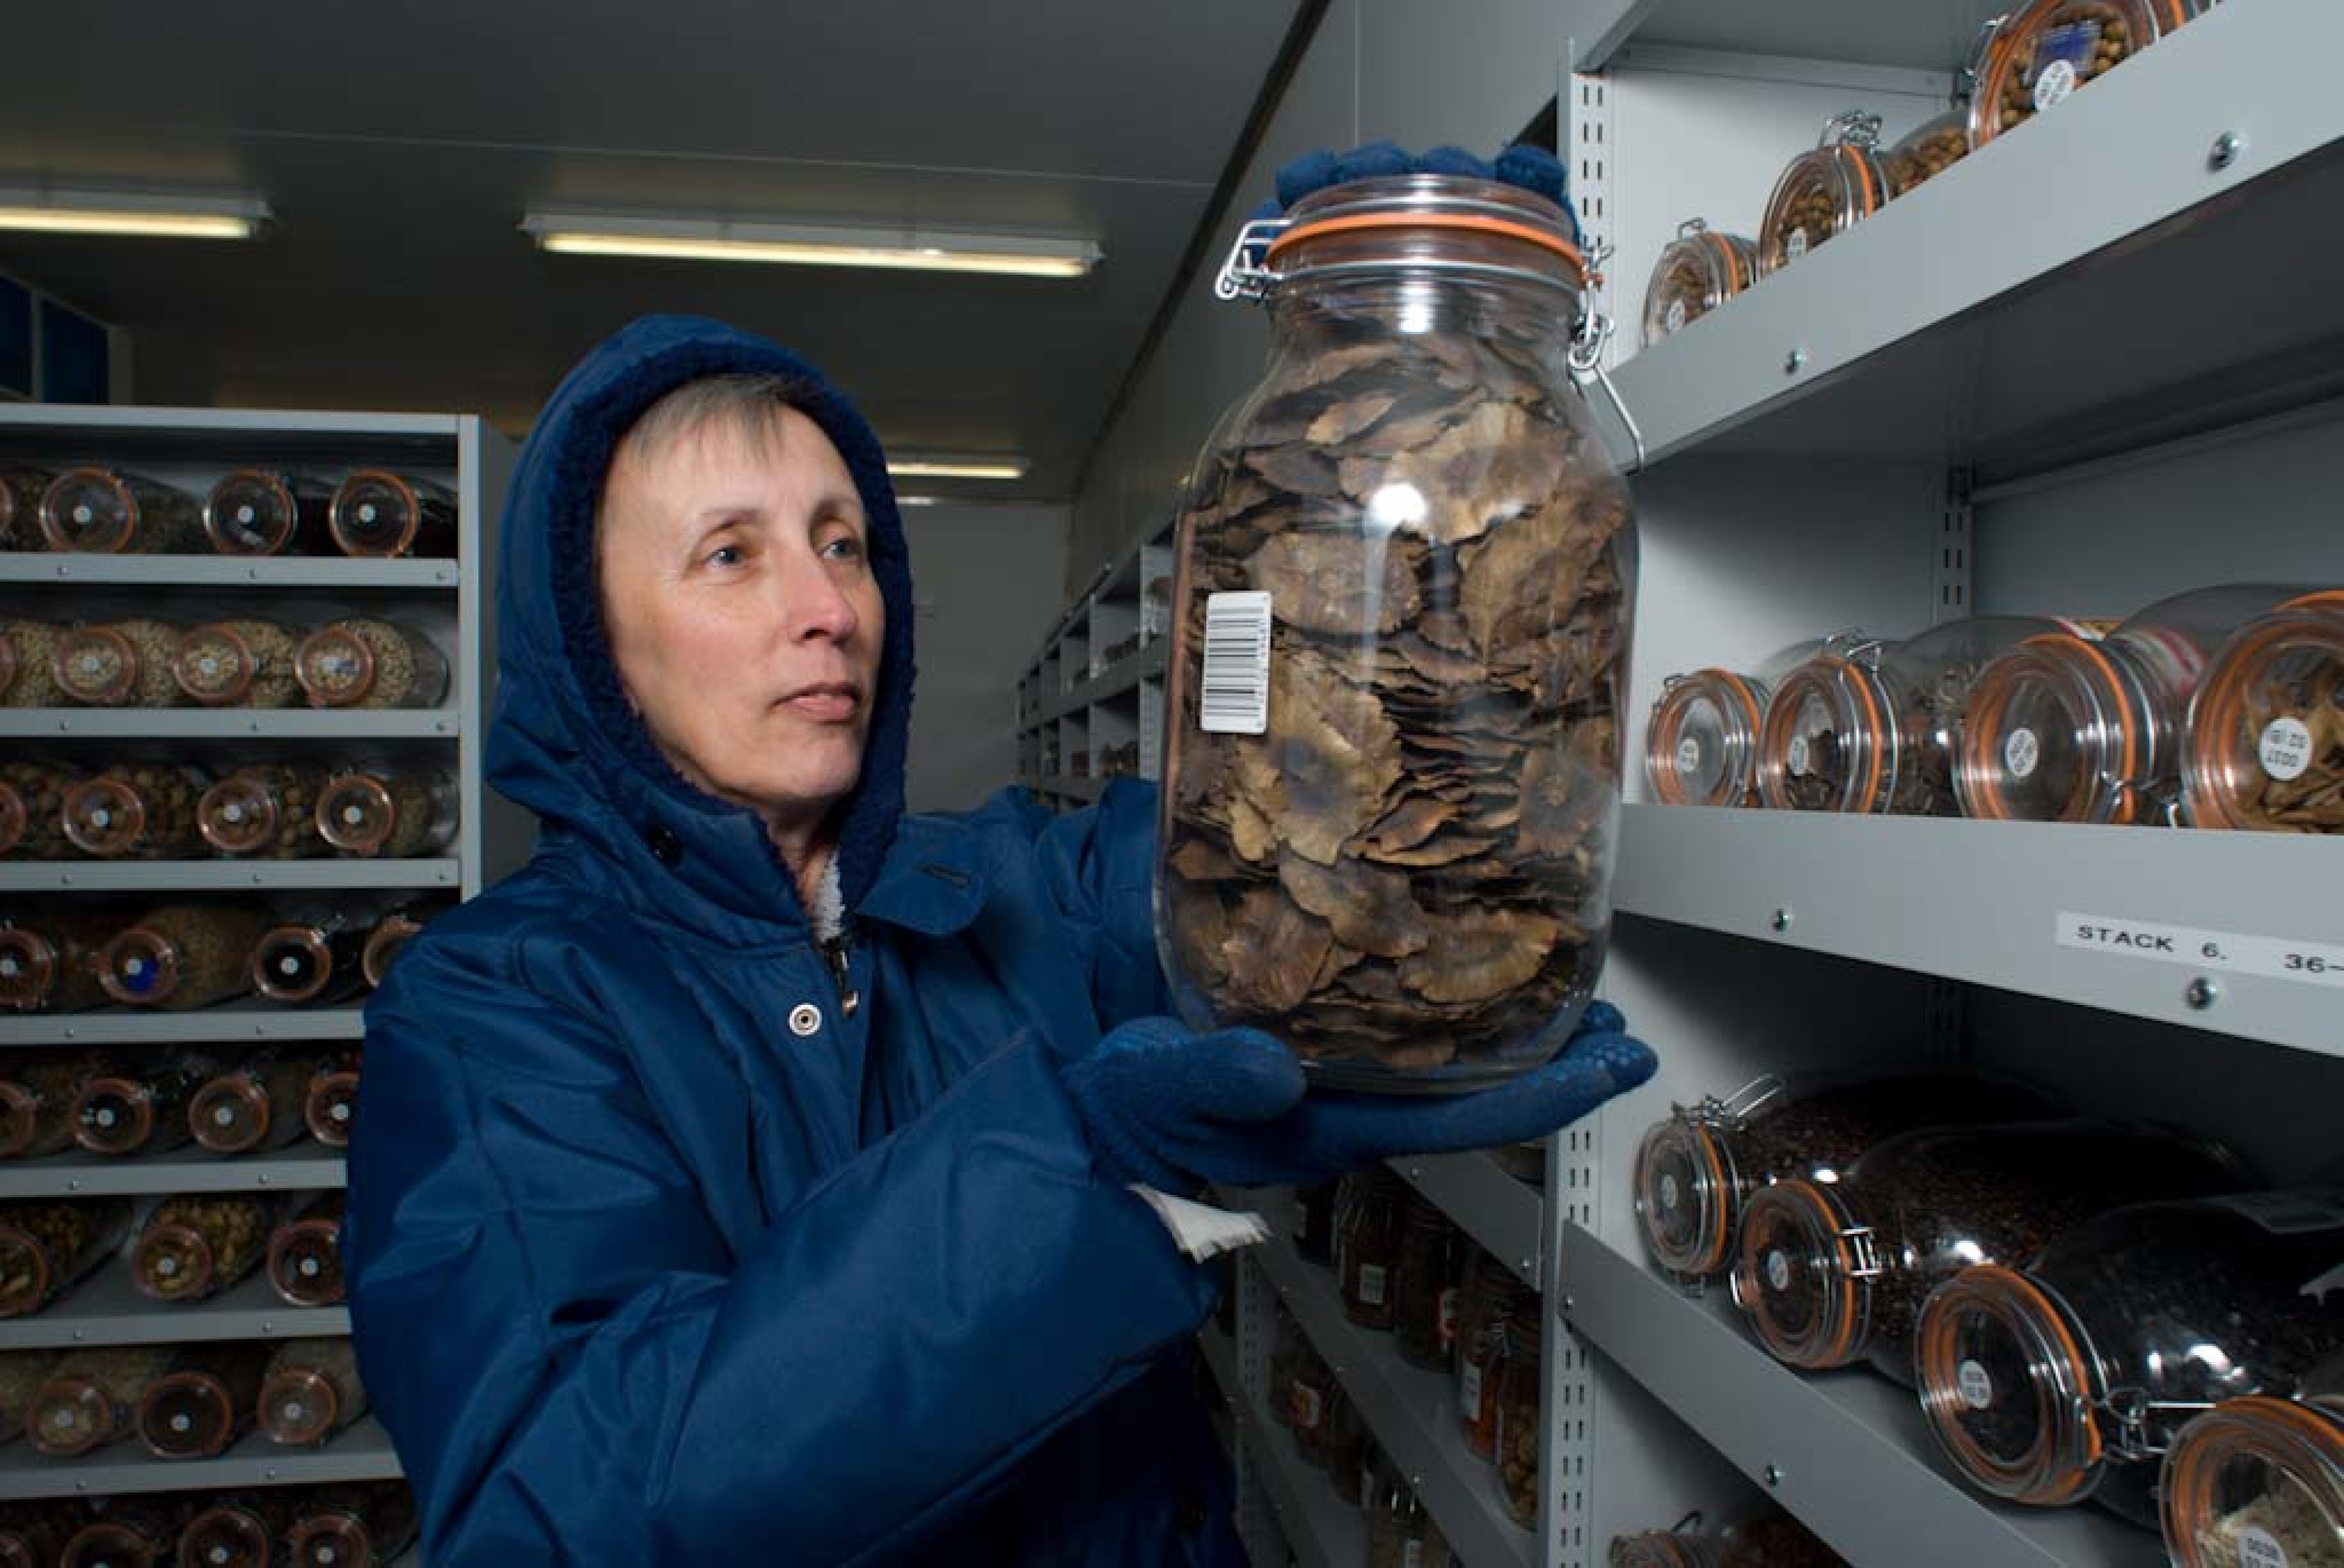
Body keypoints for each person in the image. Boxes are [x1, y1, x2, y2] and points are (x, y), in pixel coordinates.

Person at [344, 312, 1655, 1566]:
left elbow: (1301, 854)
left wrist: (1432, 354)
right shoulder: (488, 1013)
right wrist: (1080, 1175)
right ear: (594, 648)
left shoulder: (1013, 885)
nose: (830, 609)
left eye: (844, 544)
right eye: (731, 555)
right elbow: (579, 1508)